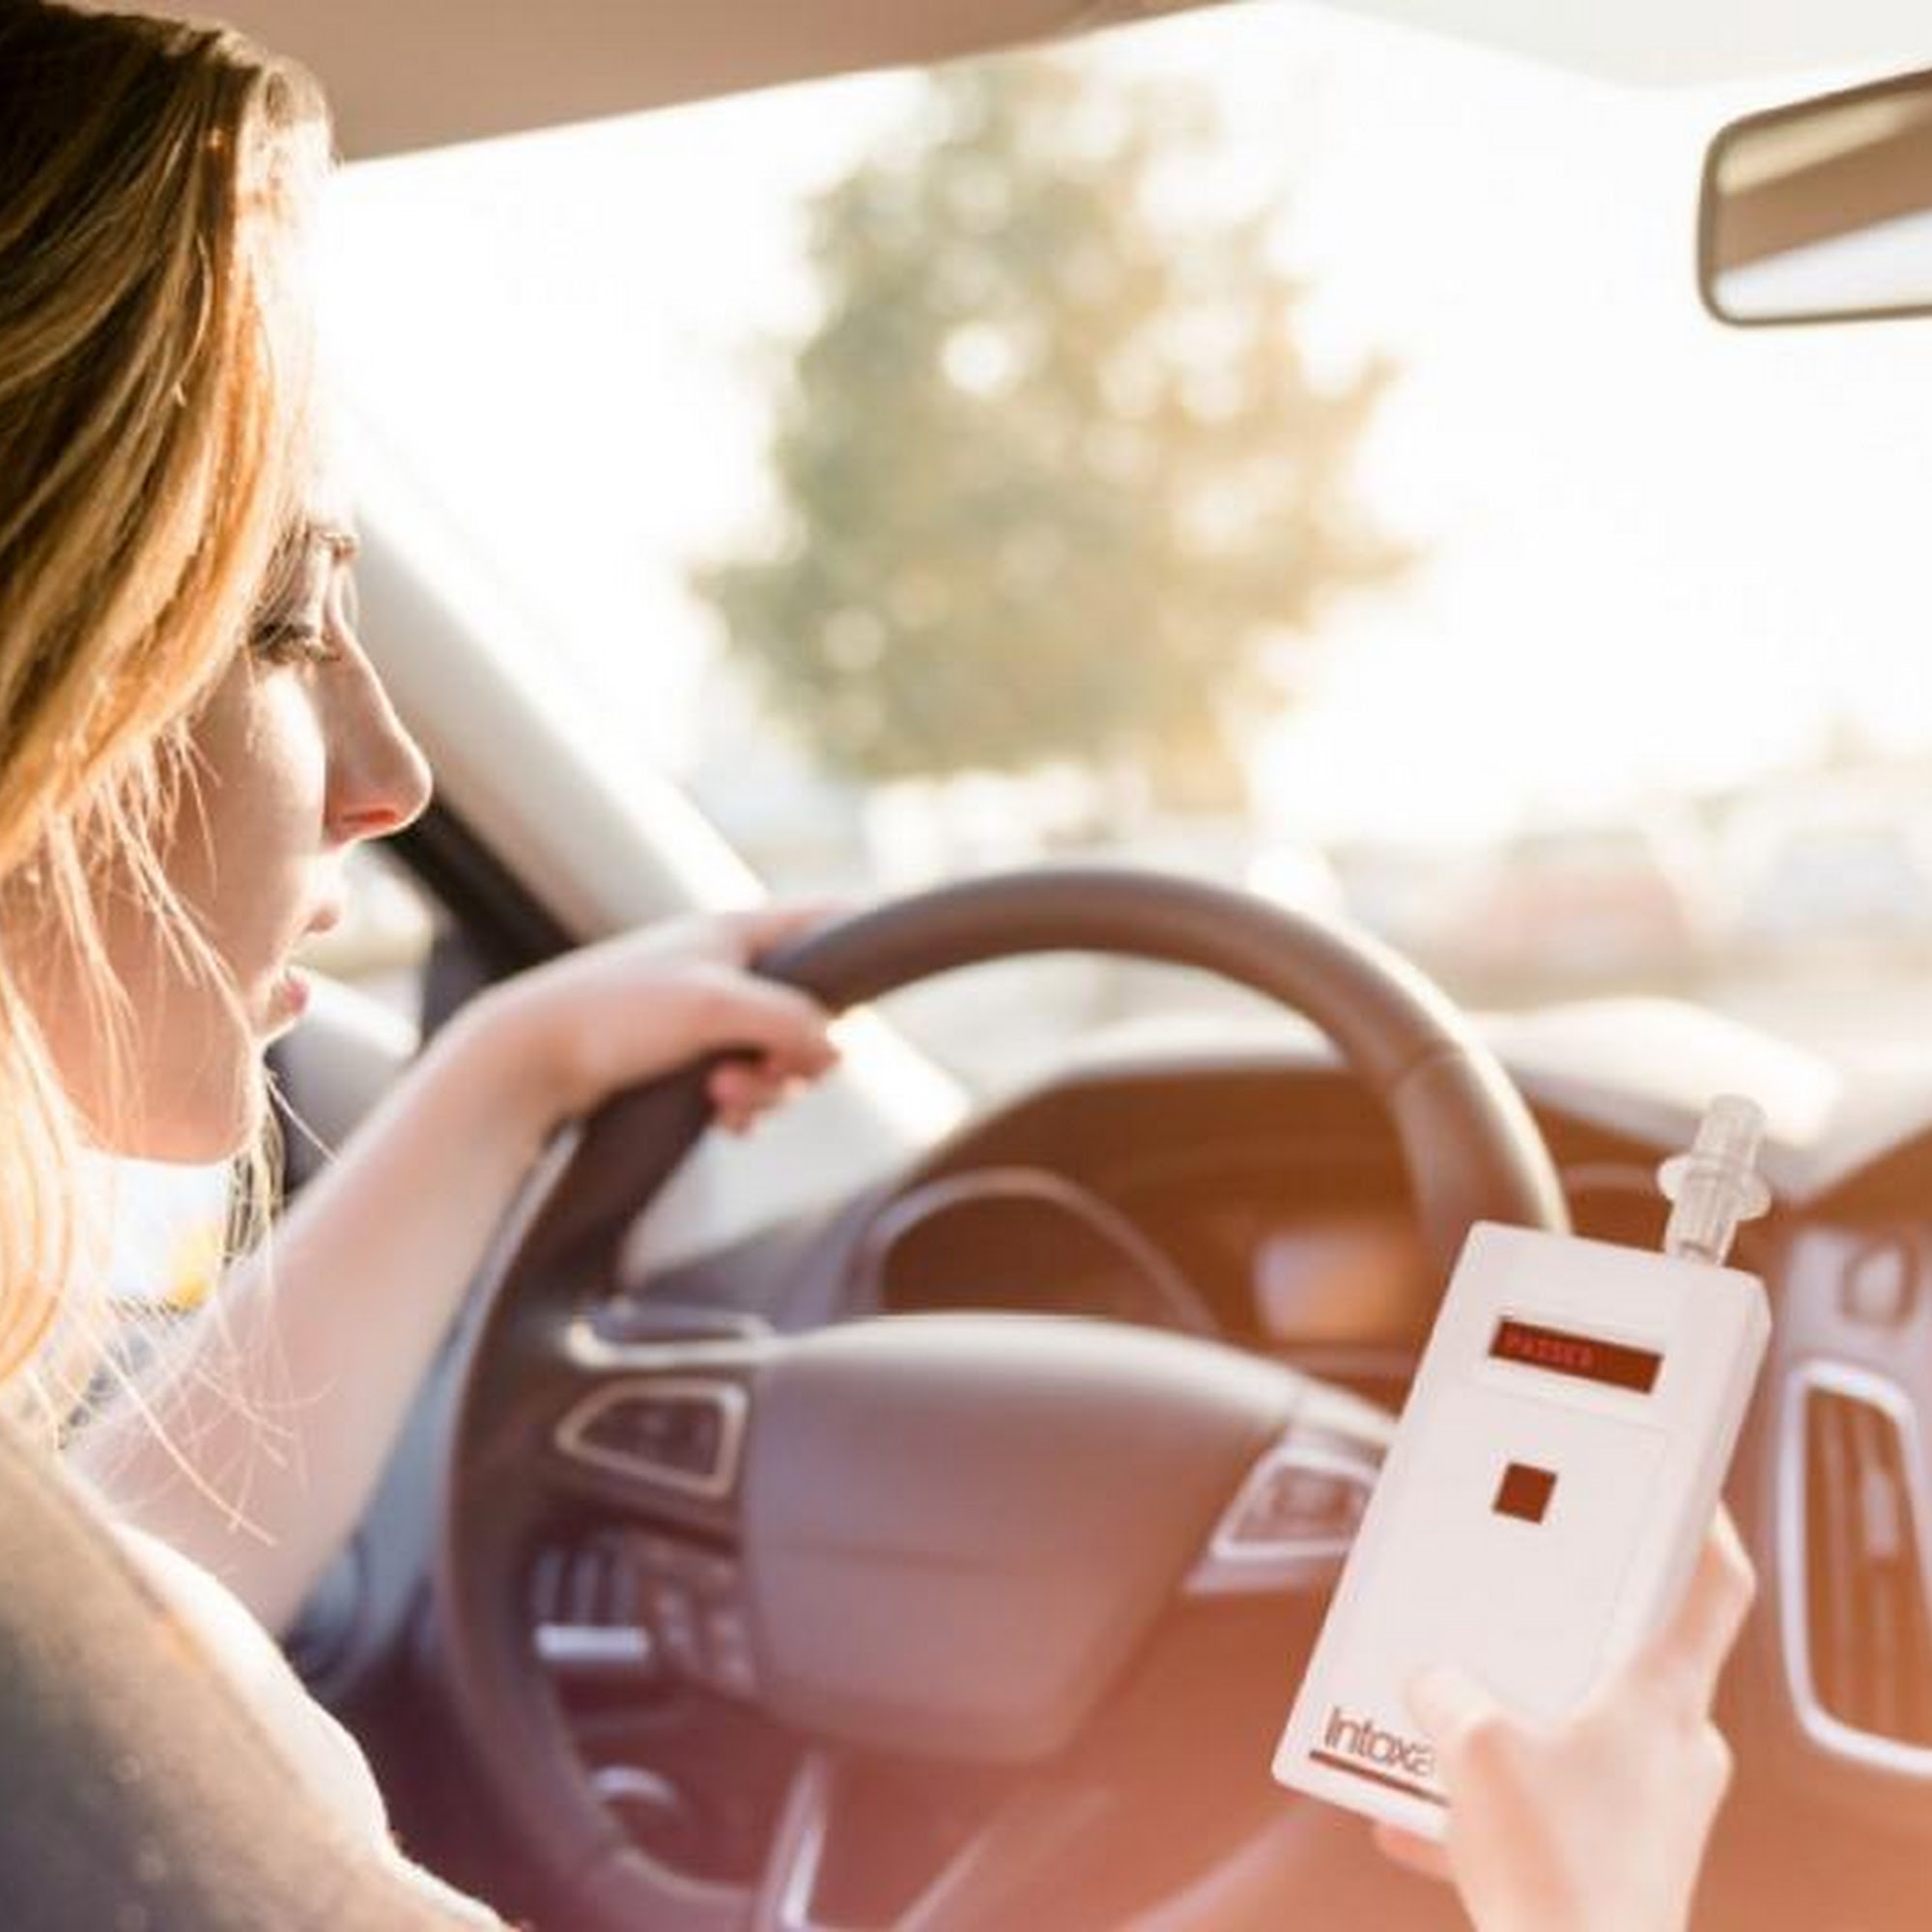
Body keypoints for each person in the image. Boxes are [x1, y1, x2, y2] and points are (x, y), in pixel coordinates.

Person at [0, 3, 1753, 1926]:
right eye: (279, 625)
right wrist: (1590, 1898)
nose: (394, 775)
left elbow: (94, 1647)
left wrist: (508, 1077)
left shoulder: (69, 1677)